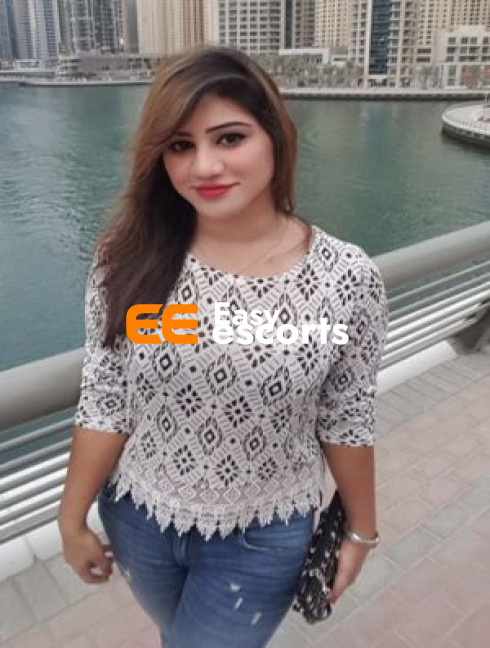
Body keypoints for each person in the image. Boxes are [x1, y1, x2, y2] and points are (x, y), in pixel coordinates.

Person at [58, 45, 389, 648]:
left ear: (274, 137)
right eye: (180, 146)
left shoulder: (345, 278)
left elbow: (346, 415)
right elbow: (106, 398)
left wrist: (360, 531)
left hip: (263, 532)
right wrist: (70, 516)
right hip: (137, 516)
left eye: (229, 138)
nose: (204, 166)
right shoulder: (127, 259)